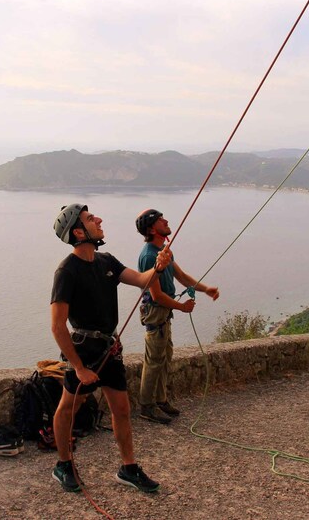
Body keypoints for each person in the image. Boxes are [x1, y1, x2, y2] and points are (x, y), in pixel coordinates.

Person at [50, 203, 173, 494]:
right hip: (84, 350)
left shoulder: (106, 261)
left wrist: (158, 267)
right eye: (91, 219)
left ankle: (128, 468)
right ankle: (63, 464)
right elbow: (57, 326)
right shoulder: (66, 271)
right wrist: (79, 368)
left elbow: (142, 281)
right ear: (78, 231)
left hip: (109, 347)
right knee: (68, 408)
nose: (99, 219)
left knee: (122, 409)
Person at [135, 208, 219, 424]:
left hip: (164, 313)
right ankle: (146, 406)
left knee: (164, 358)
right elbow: (157, 295)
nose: (166, 221)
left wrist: (206, 289)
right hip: (157, 312)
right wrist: (182, 307)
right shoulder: (149, 257)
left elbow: (181, 276)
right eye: (160, 220)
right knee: (154, 360)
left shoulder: (164, 251)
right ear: (152, 229)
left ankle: (160, 400)